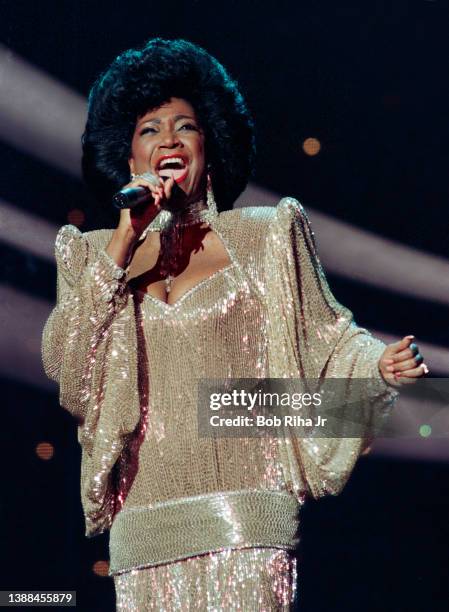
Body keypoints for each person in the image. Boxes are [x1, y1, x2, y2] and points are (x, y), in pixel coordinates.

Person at [41, 37, 427, 611]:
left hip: (243, 525)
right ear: (128, 159)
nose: (168, 139)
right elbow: (70, 370)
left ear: (209, 146)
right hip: (143, 533)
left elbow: (326, 339)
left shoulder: (264, 234)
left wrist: (375, 367)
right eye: (149, 129)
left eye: (184, 126)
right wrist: (125, 239)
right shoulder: (95, 255)